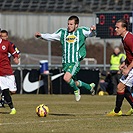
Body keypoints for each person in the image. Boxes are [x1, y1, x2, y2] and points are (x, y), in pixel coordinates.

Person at [35, 15, 96, 101]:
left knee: (66, 78)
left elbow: (91, 34)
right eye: (68, 24)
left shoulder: (81, 31)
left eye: (71, 24)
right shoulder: (63, 32)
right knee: (74, 82)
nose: (69, 26)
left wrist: (93, 30)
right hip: (65, 62)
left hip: (74, 61)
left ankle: (76, 90)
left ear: (76, 25)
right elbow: (51, 36)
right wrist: (41, 35)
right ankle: (89, 86)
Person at [107, 19, 133, 116]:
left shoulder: (129, 39)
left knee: (120, 87)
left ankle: (117, 111)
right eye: (115, 27)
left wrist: (128, 68)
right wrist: (125, 62)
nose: (115, 29)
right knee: (123, 88)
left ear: (124, 28)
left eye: (118, 27)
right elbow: (130, 54)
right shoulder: (124, 38)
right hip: (131, 66)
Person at [0, 28, 19, 114]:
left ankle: (4, 96)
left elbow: (14, 52)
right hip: (0, 73)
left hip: (8, 70)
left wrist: (16, 58)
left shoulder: (6, 44)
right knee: (5, 90)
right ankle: (12, 108)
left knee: (13, 91)